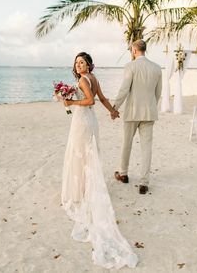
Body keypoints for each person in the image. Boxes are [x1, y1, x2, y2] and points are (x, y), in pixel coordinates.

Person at [62, 52, 138, 269]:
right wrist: (112, 111)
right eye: (76, 62)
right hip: (91, 121)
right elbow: (102, 99)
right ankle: (86, 187)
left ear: (89, 65)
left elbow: (89, 101)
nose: (78, 65)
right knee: (87, 155)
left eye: (82, 62)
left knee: (80, 154)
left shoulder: (84, 80)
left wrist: (70, 101)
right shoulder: (93, 79)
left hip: (83, 121)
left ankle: (80, 191)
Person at [112, 39, 162, 194]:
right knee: (147, 147)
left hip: (132, 112)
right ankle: (144, 183)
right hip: (149, 112)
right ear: (144, 50)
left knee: (126, 143)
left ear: (134, 50)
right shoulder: (156, 68)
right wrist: (151, 106)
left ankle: (123, 174)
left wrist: (115, 108)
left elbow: (124, 90)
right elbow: (158, 92)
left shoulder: (130, 66)